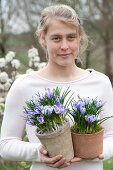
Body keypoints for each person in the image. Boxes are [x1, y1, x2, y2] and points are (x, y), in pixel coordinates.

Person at [0, 4, 113, 170]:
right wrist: (40, 152)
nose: (65, 46)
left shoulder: (100, 83)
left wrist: (99, 151)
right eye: (56, 38)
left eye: (71, 37)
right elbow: (6, 144)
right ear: (43, 38)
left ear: (79, 37)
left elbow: (111, 136)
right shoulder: (24, 86)